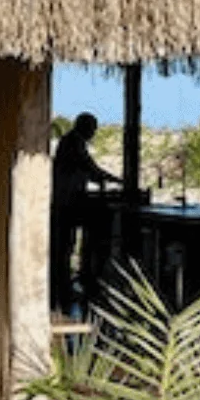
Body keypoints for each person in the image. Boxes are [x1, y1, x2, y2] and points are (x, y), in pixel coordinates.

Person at [51, 113, 120, 312]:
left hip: (67, 202)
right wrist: (115, 180)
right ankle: (65, 287)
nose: (93, 133)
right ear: (85, 127)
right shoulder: (73, 143)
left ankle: (67, 284)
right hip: (66, 203)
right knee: (64, 247)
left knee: (66, 246)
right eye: (92, 129)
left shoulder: (73, 141)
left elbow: (89, 171)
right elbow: (90, 168)